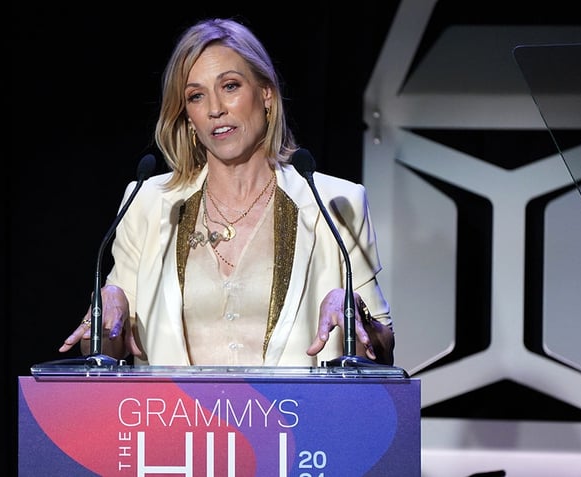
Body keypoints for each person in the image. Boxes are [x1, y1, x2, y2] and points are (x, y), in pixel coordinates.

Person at [59, 17, 395, 366]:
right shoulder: (147, 202)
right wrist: (103, 318)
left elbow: (384, 348)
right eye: (196, 96)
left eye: (230, 86)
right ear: (189, 117)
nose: (215, 109)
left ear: (266, 94)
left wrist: (360, 319)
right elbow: (104, 354)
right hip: (175, 418)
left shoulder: (336, 203)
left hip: (294, 419)